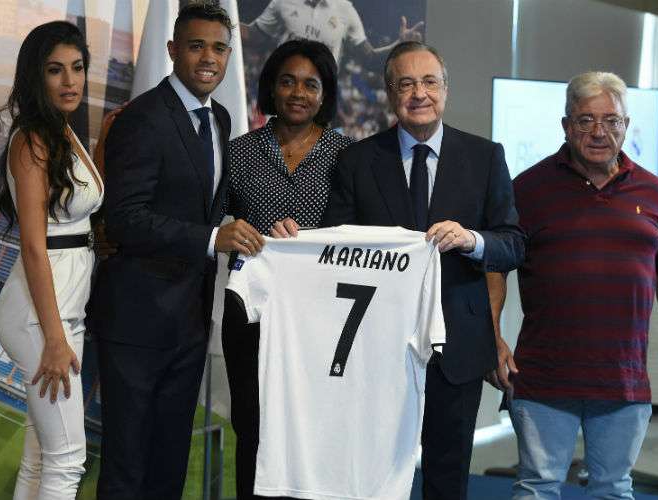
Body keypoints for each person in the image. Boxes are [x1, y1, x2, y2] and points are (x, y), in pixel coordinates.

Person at [322, 41, 525, 500]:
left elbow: (512, 244)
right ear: (390, 94)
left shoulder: (485, 157)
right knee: (369, 474)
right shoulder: (356, 161)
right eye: (406, 83)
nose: (419, 93)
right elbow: (334, 248)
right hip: (375, 347)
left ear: (445, 90)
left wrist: (472, 240)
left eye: (429, 82)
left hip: (457, 346)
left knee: (447, 476)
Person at [488, 71, 658, 500]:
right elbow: (494, 266)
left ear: (626, 125)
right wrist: (491, 338)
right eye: (585, 120)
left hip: (623, 380)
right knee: (537, 488)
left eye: (611, 121)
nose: (599, 132)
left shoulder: (654, 192)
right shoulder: (528, 188)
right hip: (544, 377)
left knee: (613, 490)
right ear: (566, 126)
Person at [86, 3, 263, 498]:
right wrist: (211, 240)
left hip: (189, 319)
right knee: (126, 469)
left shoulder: (222, 119)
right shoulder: (141, 119)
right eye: (196, 45)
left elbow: (212, 201)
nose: (209, 57)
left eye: (219, 47)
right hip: (136, 324)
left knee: (168, 467)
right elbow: (125, 219)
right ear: (171, 50)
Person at [221, 38, 353, 499]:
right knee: (252, 432)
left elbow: (359, 233)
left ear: (325, 93)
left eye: (311, 84)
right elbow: (213, 220)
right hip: (250, 316)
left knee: (311, 437)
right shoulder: (238, 152)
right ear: (271, 88)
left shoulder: (348, 155)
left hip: (321, 320)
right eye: (288, 81)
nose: (299, 93)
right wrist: (232, 228)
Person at [0, 20, 103, 499]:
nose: (70, 81)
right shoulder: (32, 139)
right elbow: (35, 248)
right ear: (36, 77)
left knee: (40, 457)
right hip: (42, 319)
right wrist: (56, 339)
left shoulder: (62, 130)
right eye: (55, 71)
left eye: (77, 68)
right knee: (66, 460)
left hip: (61, 314)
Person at [240, 0, 424, 64]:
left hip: (321, 103)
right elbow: (253, 35)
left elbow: (369, 58)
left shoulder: (345, 10)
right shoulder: (283, 2)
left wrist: (399, 45)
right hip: (282, 98)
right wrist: (221, 17)